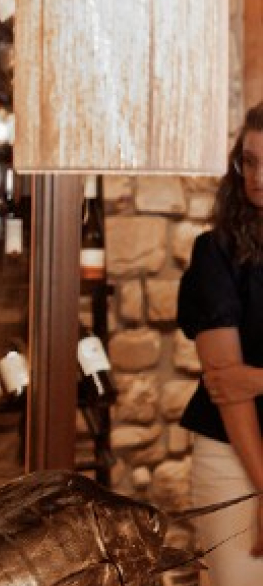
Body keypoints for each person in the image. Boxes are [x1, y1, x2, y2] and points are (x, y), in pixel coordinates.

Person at [178, 101, 263, 586]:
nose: (258, 176)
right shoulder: (217, 253)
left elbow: (243, 378)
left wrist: (257, 377)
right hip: (234, 457)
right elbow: (228, 388)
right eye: (249, 161)